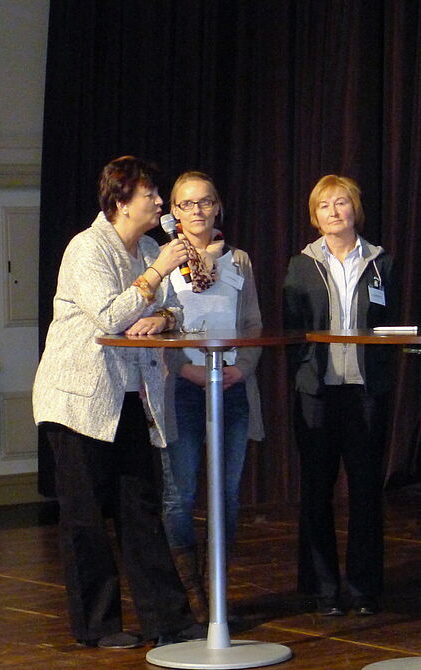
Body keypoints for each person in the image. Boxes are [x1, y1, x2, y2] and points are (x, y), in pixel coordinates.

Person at [33, 156, 203, 649]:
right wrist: (155, 273)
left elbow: (173, 308)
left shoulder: (148, 247)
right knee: (85, 517)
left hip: (130, 397)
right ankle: (98, 625)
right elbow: (109, 315)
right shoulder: (87, 248)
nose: (160, 202)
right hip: (77, 401)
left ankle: (169, 621)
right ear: (121, 202)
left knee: (140, 507)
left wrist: (163, 318)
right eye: (150, 194)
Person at [283, 174, 398, 617]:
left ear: (355, 209)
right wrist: (304, 373)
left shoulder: (381, 262)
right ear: (315, 216)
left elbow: (393, 322)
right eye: (324, 205)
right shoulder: (301, 264)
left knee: (366, 490)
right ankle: (323, 589)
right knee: (316, 489)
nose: (334, 212)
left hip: (366, 391)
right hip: (317, 392)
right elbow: (291, 329)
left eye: (341, 202)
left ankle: (364, 588)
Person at [160, 171, 263, 623]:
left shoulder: (239, 259)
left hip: (233, 386)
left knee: (227, 495)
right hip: (182, 386)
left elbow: (253, 324)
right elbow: (154, 323)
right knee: (180, 496)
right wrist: (186, 369)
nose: (197, 210)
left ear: (217, 207)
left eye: (204, 202)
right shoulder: (162, 259)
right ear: (173, 212)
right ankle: (191, 596)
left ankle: (218, 594)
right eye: (186, 203)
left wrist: (243, 368)